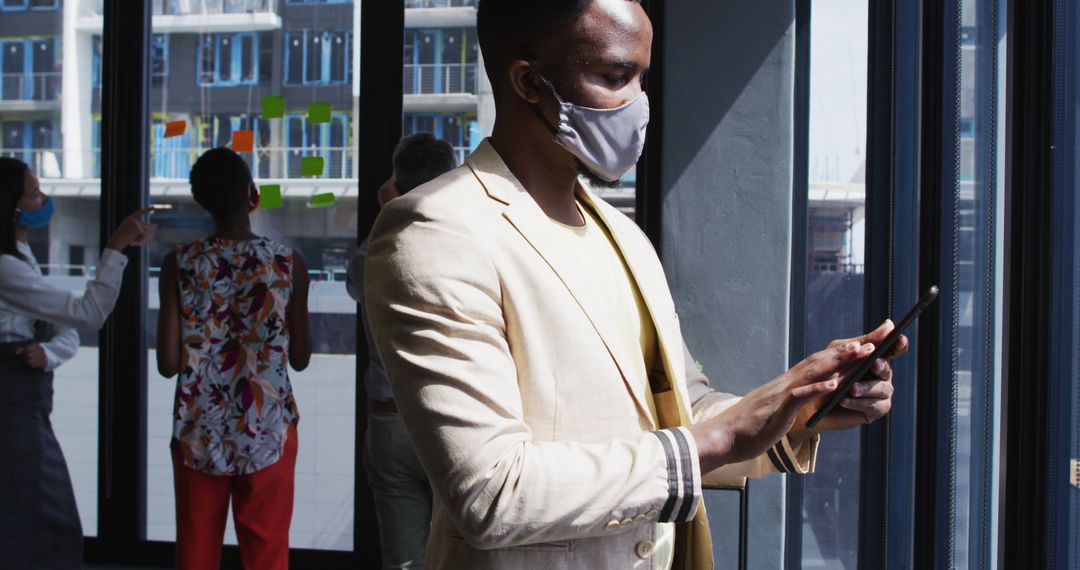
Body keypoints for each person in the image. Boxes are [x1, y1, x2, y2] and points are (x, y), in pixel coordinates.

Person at [364, 1, 910, 569]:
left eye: (642, 79)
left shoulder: (623, 236)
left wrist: (797, 407)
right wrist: (717, 441)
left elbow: (680, 408)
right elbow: (492, 491)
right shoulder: (435, 229)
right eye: (615, 76)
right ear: (529, 81)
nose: (638, 104)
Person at [156, 148, 311, 570]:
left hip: (197, 428)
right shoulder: (289, 263)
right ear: (253, 196)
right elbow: (299, 358)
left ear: (203, 202)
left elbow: (169, 363)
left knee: (195, 551)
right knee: (266, 552)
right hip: (268, 427)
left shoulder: (179, 263)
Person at [0, 157, 152, 569]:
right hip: (13, 402)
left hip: (25, 398)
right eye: (34, 193)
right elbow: (86, 314)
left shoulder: (20, 256)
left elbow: (60, 326)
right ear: (10, 204)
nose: (44, 199)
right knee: (47, 519)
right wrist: (115, 246)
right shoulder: (6, 267)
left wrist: (48, 353)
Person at [346, 132, 457, 570]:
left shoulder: (370, 254)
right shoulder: (467, 248)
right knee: (464, 550)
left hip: (390, 417)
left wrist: (389, 213)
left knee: (403, 559)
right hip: (452, 419)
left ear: (395, 185)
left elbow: (357, 279)